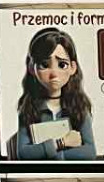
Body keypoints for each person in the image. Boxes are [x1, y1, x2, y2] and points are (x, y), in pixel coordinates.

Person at [7, 28, 96, 160]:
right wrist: (61, 143)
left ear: (73, 68)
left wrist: (48, 155)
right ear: (32, 68)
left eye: (62, 65)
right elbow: (24, 153)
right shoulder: (28, 109)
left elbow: (89, 152)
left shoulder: (78, 106)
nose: (54, 73)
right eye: (44, 65)